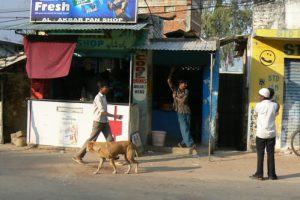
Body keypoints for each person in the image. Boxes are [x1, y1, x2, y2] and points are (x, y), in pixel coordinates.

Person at [72, 82, 123, 164]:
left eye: (108, 89)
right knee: (91, 141)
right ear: (101, 89)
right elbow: (102, 112)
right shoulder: (98, 98)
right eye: (106, 89)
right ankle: (78, 156)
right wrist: (115, 116)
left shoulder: (104, 96)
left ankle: (112, 157)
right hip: (98, 122)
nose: (107, 90)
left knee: (110, 140)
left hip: (105, 121)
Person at [250, 88, 279, 180]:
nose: (259, 97)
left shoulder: (258, 105)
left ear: (263, 96)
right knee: (271, 154)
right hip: (271, 134)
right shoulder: (275, 105)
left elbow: (255, 114)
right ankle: (272, 175)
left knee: (260, 154)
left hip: (261, 133)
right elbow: (277, 111)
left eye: (260, 95)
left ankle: (259, 174)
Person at [167, 66, 196, 150]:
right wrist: (171, 72)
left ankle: (182, 143)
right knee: (184, 128)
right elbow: (168, 81)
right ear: (180, 83)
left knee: (187, 129)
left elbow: (183, 101)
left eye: (186, 84)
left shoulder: (186, 91)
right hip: (180, 112)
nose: (186, 85)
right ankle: (190, 145)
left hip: (187, 111)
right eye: (184, 83)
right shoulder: (175, 89)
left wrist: (175, 97)